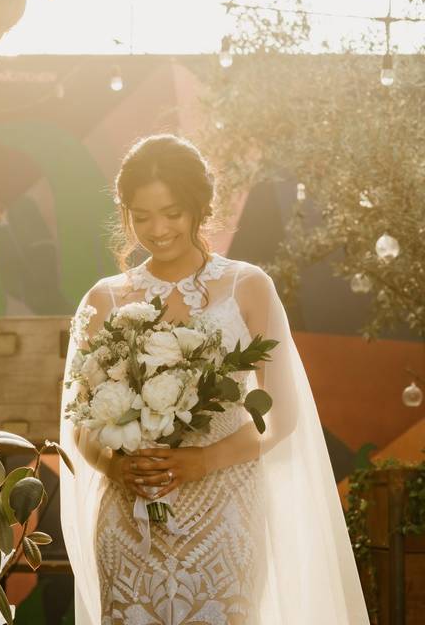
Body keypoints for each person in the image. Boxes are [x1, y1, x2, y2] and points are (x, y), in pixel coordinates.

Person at [58, 134, 369, 624]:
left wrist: (202, 461)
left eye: (172, 212)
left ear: (200, 207)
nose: (157, 229)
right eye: (141, 216)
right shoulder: (105, 300)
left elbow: (282, 414)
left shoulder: (247, 286)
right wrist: (116, 469)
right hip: (128, 512)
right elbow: (81, 421)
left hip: (224, 508)